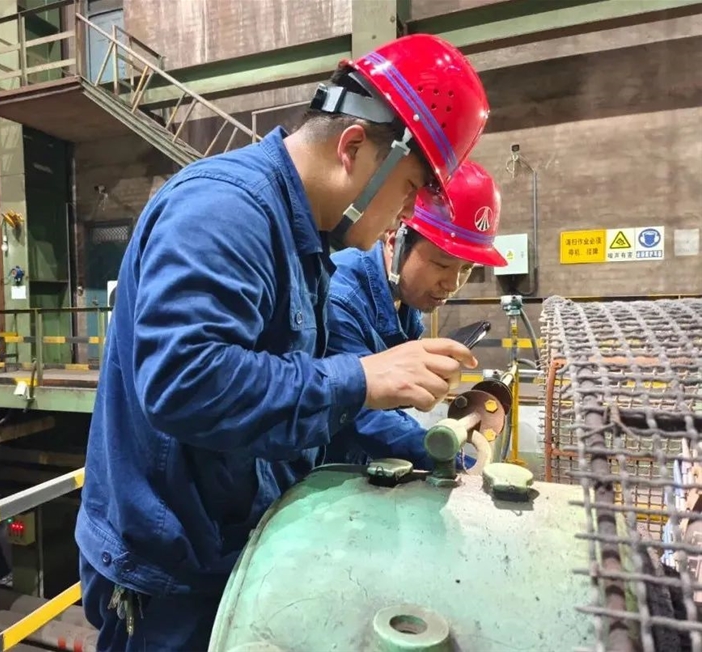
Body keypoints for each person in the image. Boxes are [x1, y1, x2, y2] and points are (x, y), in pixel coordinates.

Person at [75, 33, 490, 651]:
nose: (406, 216)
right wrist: (361, 379)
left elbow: (281, 395)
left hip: (226, 545)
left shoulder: (305, 240)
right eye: (408, 189)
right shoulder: (225, 210)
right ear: (353, 147)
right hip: (169, 572)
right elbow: (184, 381)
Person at [325, 161, 507, 470]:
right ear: (394, 241)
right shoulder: (341, 299)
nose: (452, 284)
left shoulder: (405, 298)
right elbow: (363, 415)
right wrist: (454, 462)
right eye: (442, 264)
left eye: (467, 269)